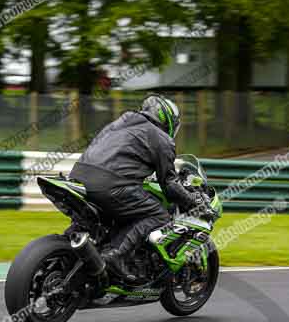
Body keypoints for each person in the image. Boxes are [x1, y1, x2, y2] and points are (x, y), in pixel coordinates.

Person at [69, 95, 201, 281]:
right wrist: (191, 201)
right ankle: (116, 254)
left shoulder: (118, 123)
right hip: (109, 184)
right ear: (167, 120)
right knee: (159, 215)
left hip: (78, 176)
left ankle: (71, 249)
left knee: (99, 220)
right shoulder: (162, 139)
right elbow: (169, 185)